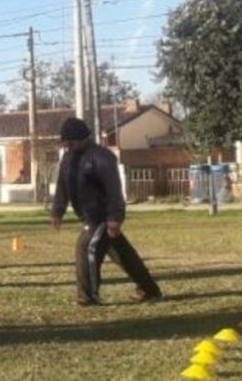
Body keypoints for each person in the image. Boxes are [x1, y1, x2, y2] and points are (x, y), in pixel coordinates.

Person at [50, 116, 163, 305]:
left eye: (70, 142)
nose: (67, 146)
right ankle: (150, 290)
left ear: (83, 138)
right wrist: (57, 212)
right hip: (88, 216)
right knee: (124, 255)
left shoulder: (101, 157)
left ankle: (88, 296)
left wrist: (114, 217)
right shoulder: (68, 159)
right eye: (65, 142)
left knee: (86, 247)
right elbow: (62, 187)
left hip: (101, 216)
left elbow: (113, 189)